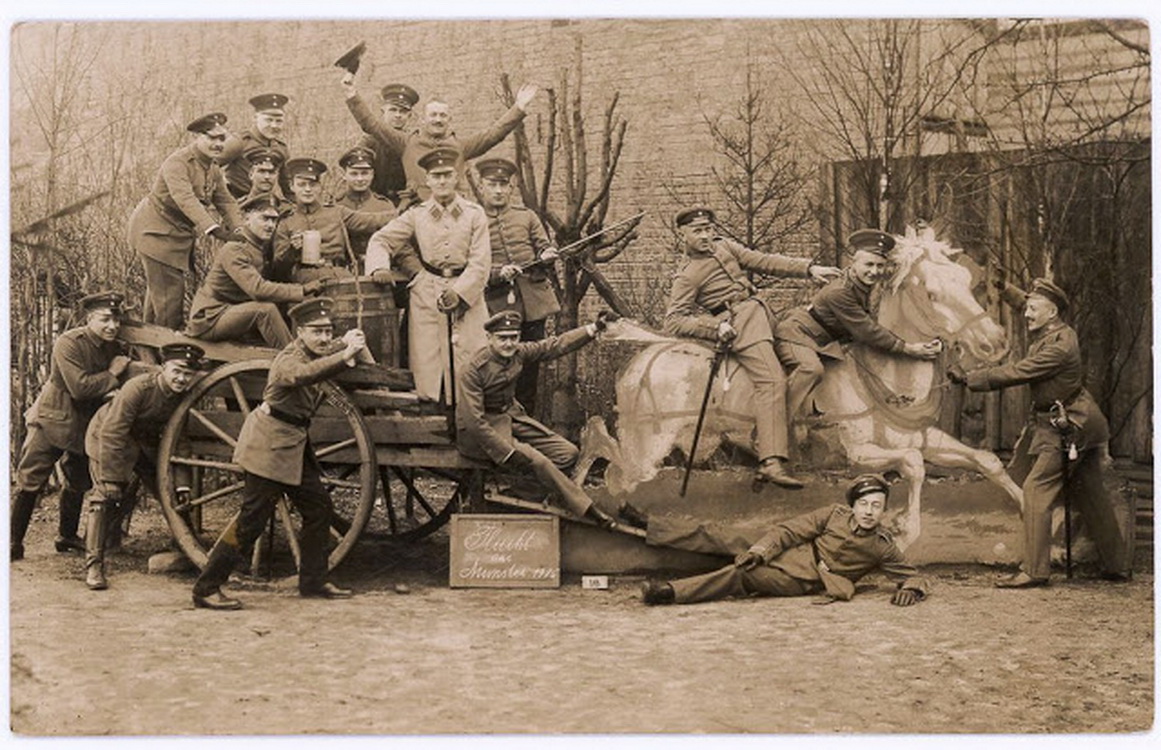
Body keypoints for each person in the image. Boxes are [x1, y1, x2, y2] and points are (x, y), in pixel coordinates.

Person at [948, 278, 1131, 587]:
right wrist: (1006, 289)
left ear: (1052, 313)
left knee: (1035, 490)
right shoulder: (1053, 327)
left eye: (1034, 309)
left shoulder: (1059, 347)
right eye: (1028, 307)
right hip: (1083, 421)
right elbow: (1028, 302)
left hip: (1069, 426)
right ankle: (1117, 565)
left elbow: (1018, 371)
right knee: (1090, 492)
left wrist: (969, 378)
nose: (1027, 313)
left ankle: (1034, 571)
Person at [191, 297, 371, 610]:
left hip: (293, 444)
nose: (324, 338)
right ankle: (206, 588)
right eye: (316, 331)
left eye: (328, 331)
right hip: (268, 444)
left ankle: (312, 581)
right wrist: (345, 355)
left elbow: (326, 352)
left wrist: (347, 340)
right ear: (299, 332)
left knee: (319, 508)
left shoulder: (316, 349)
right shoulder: (288, 359)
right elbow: (304, 374)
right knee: (251, 520)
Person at [663, 207, 842, 488]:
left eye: (708, 228)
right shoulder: (687, 275)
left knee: (811, 367)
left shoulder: (724, 246)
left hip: (765, 317)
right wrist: (714, 327)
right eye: (697, 231)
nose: (706, 236)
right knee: (771, 382)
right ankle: (770, 460)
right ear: (682, 234)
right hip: (742, 329)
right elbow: (673, 321)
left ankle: (766, 432)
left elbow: (764, 261)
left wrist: (808, 269)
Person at [640, 474, 929, 607]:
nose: (868, 512)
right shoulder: (833, 514)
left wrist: (912, 590)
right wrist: (759, 551)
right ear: (852, 505)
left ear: (884, 510)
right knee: (720, 535)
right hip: (793, 551)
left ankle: (669, 593)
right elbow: (790, 531)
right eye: (863, 504)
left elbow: (913, 576)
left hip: (803, 580)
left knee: (741, 575)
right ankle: (651, 526)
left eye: (876, 506)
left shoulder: (882, 546)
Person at [10, 292, 149, 561]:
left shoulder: (113, 347)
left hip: (85, 422)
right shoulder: (69, 343)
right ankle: (12, 542)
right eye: (105, 319)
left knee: (77, 479)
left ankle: (66, 536)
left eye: (116, 320)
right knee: (31, 478)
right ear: (89, 319)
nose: (112, 326)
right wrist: (112, 373)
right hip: (53, 417)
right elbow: (80, 387)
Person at [458, 310, 618, 527]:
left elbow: (554, 345)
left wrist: (594, 328)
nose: (509, 344)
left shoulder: (518, 353)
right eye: (502, 338)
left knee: (568, 454)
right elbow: (474, 423)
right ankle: (587, 509)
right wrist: (507, 453)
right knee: (539, 461)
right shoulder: (473, 369)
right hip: (481, 431)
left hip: (510, 417)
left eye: (513, 337)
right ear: (489, 338)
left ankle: (516, 495)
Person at [775, 228, 943, 427]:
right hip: (797, 336)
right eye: (869, 264)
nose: (875, 271)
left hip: (823, 340)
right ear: (853, 263)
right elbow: (866, 329)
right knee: (811, 369)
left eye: (880, 265)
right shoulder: (839, 292)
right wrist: (907, 348)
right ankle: (775, 424)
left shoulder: (863, 284)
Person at [364, 147, 491, 402]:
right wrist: (379, 267)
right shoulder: (417, 214)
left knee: (471, 358)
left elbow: (480, 261)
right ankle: (433, 415)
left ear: (456, 177)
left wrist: (460, 292)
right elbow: (381, 239)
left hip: (467, 293)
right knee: (428, 365)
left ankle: (468, 416)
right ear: (428, 180)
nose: (442, 181)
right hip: (427, 292)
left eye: (447, 175)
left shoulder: (474, 214)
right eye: (436, 176)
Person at [82, 343, 205, 590]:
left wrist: (182, 485)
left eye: (188, 374)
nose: (181, 379)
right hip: (106, 438)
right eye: (177, 371)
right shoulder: (138, 388)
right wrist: (112, 478)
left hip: (142, 445)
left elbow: (180, 442)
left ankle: (189, 548)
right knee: (103, 496)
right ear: (163, 367)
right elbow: (113, 432)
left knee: (168, 492)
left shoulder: (181, 396)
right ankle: (94, 565)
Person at [341, 70, 537, 202]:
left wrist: (518, 108)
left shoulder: (460, 146)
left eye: (442, 115)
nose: (438, 119)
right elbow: (372, 124)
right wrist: (352, 94)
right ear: (423, 118)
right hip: (417, 214)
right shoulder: (408, 142)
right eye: (433, 115)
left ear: (449, 119)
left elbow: (492, 135)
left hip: (453, 213)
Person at [127, 113, 242, 330]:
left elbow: (225, 200)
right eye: (212, 138)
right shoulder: (177, 162)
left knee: (159, 297)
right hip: (155, 232)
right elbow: (185, 198)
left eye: (222, 139)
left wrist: (240, 229)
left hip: (176, 233)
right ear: (196, 137)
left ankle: (146, 343)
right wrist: (214, 229)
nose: (218, 144)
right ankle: (169, 346)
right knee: (170, 300)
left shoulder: (212, 167)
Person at [476, 157, 561, 413]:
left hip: (533, 305)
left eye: (503, 185)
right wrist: (496, 273)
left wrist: (547, 254)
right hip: (496, 304)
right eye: (492, 184)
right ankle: (497, 420)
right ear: (481, 186)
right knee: (496, 366)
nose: (498, 190)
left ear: (511, 187)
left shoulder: (527, 216)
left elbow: (543, 245)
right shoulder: (474, 219)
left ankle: (526, 420)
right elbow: (470, 263)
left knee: (529, 366)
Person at [187, 193, 324, 347]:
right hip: (211, 317)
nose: (270, 225)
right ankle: (294, 356)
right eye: (265, 218)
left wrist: (292, 252)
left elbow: (273, 276)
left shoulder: (258, 245)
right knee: (264, 310)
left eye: (274, 220)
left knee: (286, 303)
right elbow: (257, 289)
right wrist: (302, 289)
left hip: (233, 310)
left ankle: (302, 345)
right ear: (246, 219)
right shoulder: (235, 248)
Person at [271, 157, 396, 284]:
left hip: (340, 277)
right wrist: (292, 250)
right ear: (292, 186)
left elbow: (371, 221)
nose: (307, 189)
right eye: (301, 185)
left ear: (320, 186)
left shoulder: (337, 212)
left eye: (312, 184)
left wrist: (403, 213)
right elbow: (277, 268)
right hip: (304, 281)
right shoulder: (286, 221)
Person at [356, 83, 419, 205]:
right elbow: (357, 170)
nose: (398, 115)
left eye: (403, 111)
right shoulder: (369, 141)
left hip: (407, 202)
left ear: (409, 115)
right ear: (383, 111)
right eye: (393, 110)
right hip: (374, 202)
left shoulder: (413, 140)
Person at [220, 93, 292, 199]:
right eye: (268, 120)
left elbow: (288, 188)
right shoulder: (239, 141)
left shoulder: (282, 148)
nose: (274, 126)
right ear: (255, 118)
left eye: (279, 121)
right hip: (235, 200)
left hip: (264, 202)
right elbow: (210, 165)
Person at [334, 145, 398, 259]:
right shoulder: (336, 205)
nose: (360, 179)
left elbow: (396, 243)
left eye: (364, 173)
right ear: (344, 175)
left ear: (372, 174)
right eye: (354, 174)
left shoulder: (385, 205)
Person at [240, 146, 292, 212]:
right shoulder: (237, 206)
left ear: (277, 175)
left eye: (271, 172)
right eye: (262, 171)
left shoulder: (286, 209)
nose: (267, 177)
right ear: (251, 174)